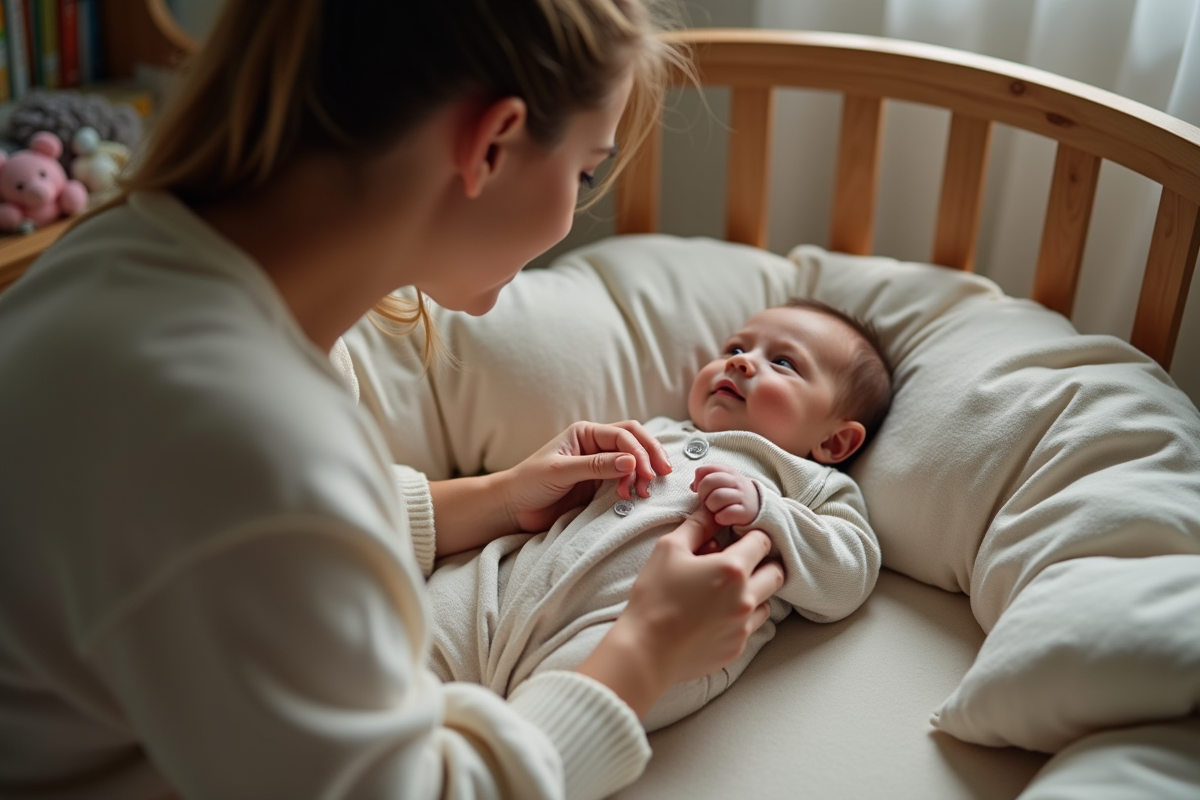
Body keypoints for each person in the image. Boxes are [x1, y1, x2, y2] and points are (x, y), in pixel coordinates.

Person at [0, 2, 788, 799]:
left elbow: (225, 556)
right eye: (584, 172)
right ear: (491, 144)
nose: (572, 210)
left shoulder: (121, 255)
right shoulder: (247, 437)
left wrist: (492, 499)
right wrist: (646, 649)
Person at [426, 298, 893, 730]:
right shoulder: (658, 430)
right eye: (736, 346)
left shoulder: (812, 484)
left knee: (549, 716)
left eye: (783, 363)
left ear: (833, 442)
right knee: (426, 616)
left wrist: (766, 511)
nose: (740, 361)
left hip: (633, 632)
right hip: (511, 589)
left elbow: (851, 571)